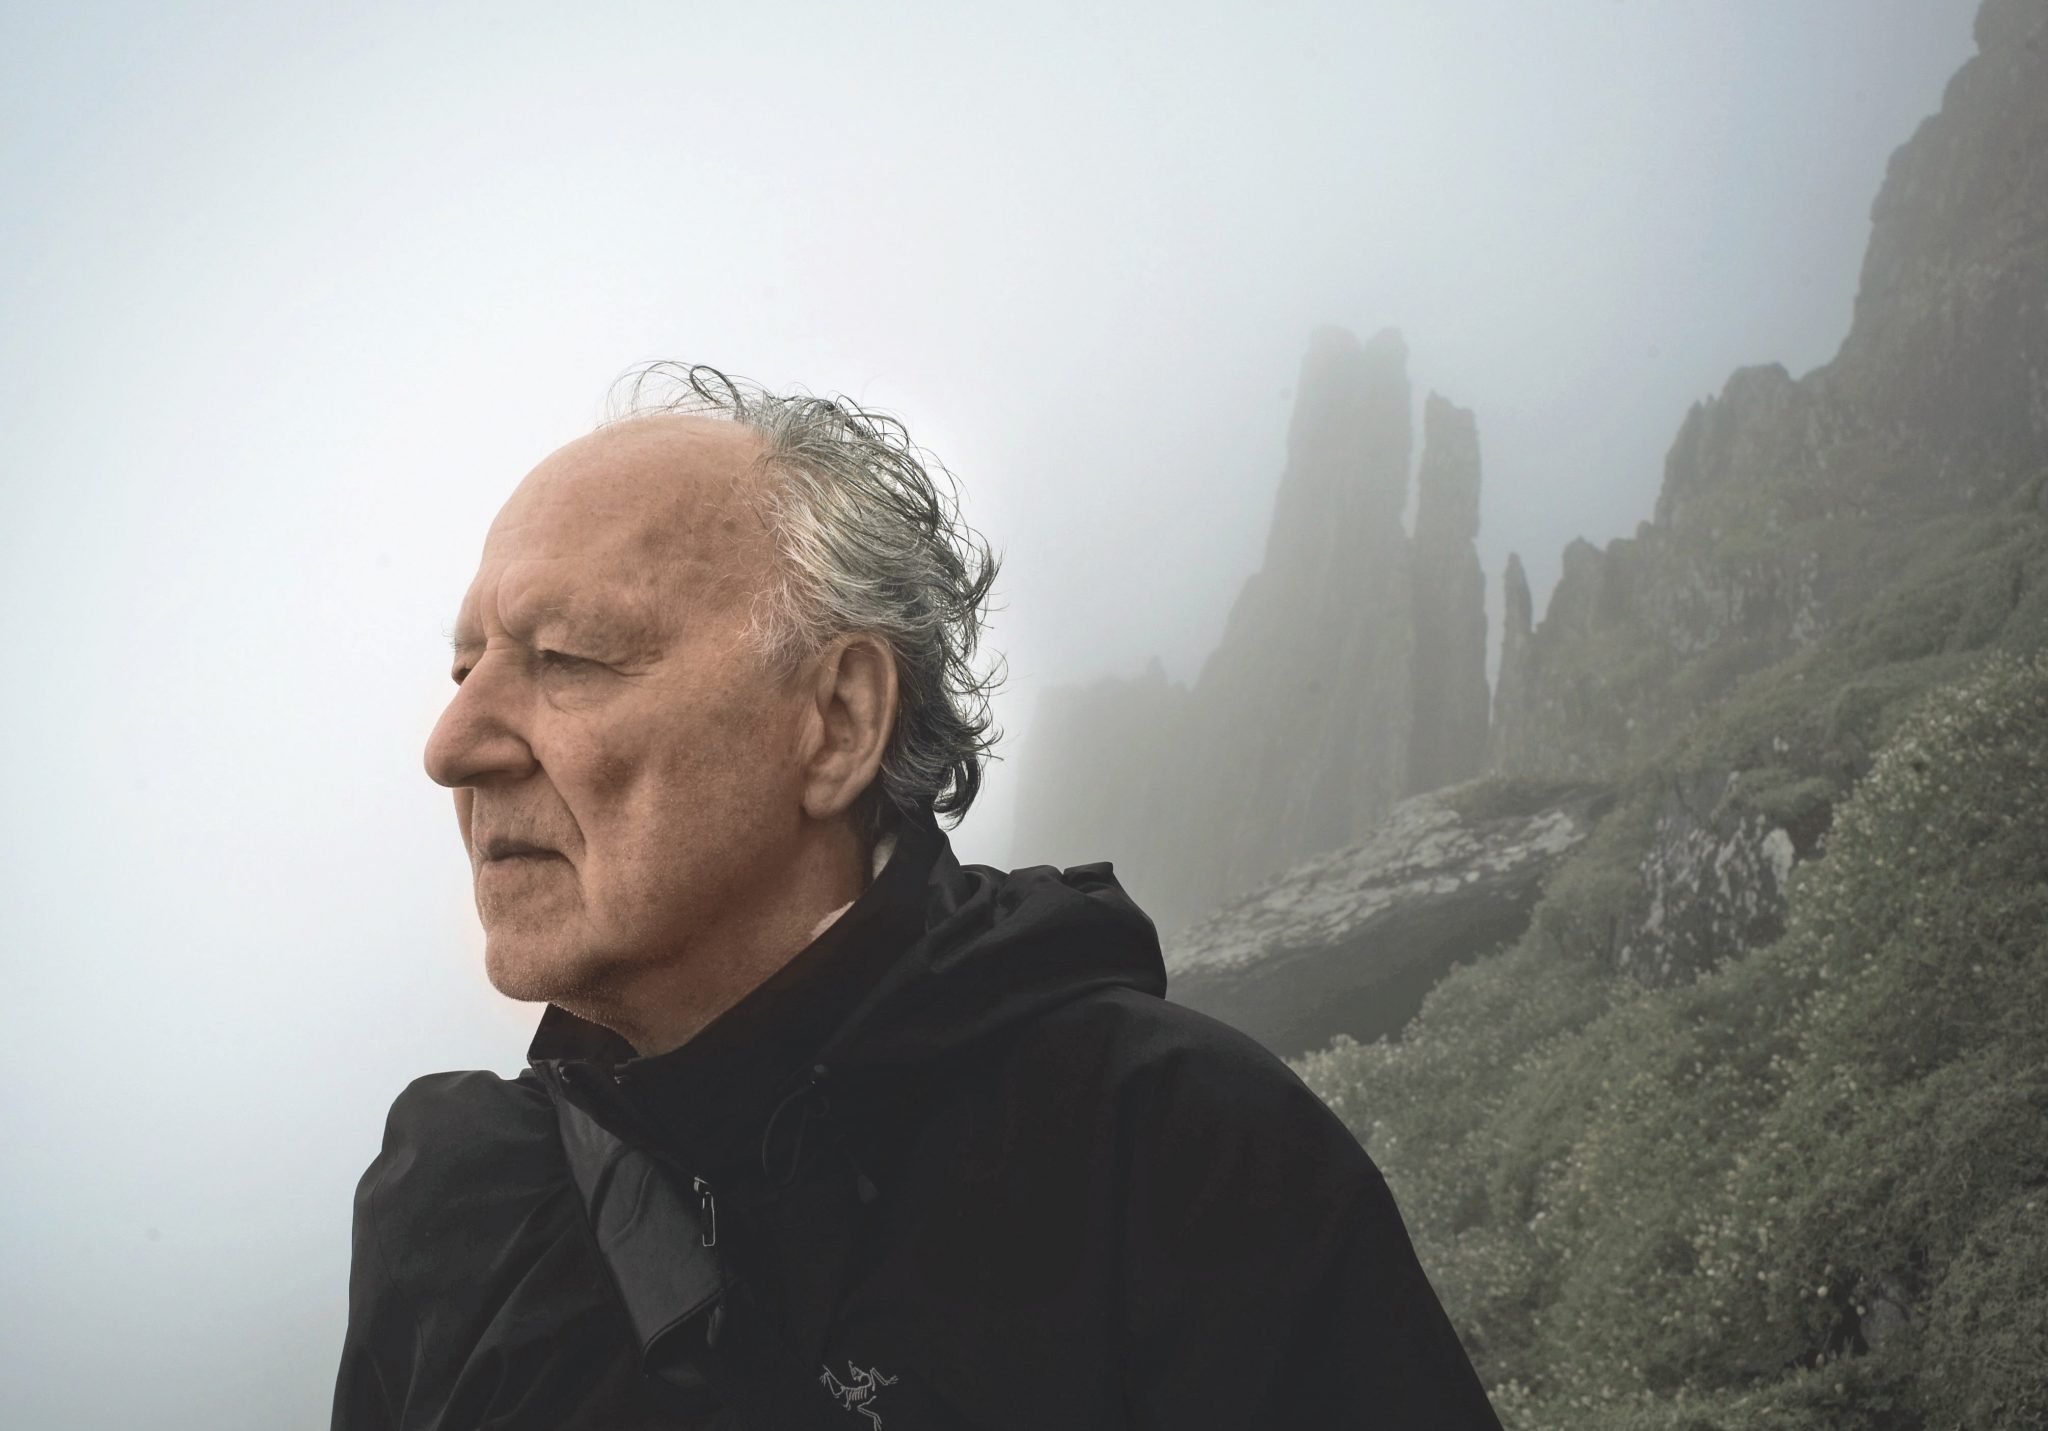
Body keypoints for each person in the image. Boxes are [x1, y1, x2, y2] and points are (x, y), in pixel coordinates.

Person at [331, 363, 1505, 1430]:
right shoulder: (454, 1196)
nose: (451, 745)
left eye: (570, 658)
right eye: (464, 668)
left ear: (838, 721)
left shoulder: (1176, 1156)